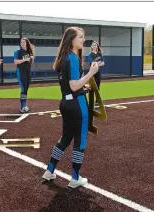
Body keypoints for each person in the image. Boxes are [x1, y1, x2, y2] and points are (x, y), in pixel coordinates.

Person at [42, 27, 99, 188]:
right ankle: (75, 178)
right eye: (80, 37)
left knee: (65, 138)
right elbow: (74, 86)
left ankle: (49, 170)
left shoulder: (64, 57)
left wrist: (83, 86)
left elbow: (70, 86)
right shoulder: (73, 58)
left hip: (66, 103)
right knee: (80, 141)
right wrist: (91, 73)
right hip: (77, 105)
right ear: (72, 40)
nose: (83, 40)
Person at [13, 38, 35, 113]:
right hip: (21, 71)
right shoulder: (17, 51)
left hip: (28, 72)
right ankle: (22, 107)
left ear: (27, 43)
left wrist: (32, 58)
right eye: (21, 42)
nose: (22, 43)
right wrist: (25, 59)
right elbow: (15, 62)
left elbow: (31, 63)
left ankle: (24, 106)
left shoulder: (29, 51)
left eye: (24, 42)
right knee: (23, 89)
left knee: (26, 89)